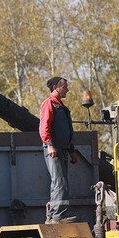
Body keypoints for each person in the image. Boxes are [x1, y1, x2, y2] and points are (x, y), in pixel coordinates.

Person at [40, 76, 78, 223]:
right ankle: (58, 216)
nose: (67, 89)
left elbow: (66, 130)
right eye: (65, 86)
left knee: (60, 181)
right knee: (59, 181)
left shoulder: (60, 106)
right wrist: (50, 145)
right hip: (54, 148)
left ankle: (54, 215)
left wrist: (71, 150)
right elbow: (44, 127)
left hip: (62, 148)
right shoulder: (49, 104)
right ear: (56, 87)